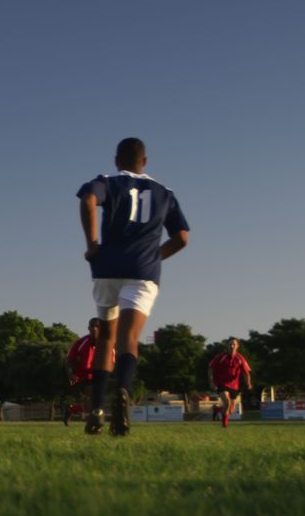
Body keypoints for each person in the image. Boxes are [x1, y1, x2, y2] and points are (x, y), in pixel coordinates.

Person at [76, 138, 189, 436]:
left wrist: (92, 245)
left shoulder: (106, 182)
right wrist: (155, 257)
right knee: (130, 337)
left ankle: (97, 409)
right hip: (143, 272)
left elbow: (88, 200)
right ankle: (123, 391)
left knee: (106, 339)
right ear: (145, 161)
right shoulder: (165, 193)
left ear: (117, 159)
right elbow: (182, 238)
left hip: (107, 269)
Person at [62, 318, 114, 425]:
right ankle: (94, 421)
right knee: (92, 397)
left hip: (100, 375)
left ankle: (72, 409)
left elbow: (112, 362)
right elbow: (69, 360)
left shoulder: (107, 344)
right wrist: (70, 373)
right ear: (88, 328)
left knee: (93, 403)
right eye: (92, 326)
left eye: (97, 326)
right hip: (84, 376)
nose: (94, 328)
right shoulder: (81, 343)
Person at [208, 338, 252, 428]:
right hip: (221, 383)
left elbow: (246, 372)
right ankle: (224, 424)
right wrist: (212, 382)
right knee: (227, 402)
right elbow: (210, 369)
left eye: (233, 344)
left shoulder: (240, 358)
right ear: (227, 346)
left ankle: (218, 409)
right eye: (230, 344)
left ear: (237, 346)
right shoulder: (221, 357)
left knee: (231, 410)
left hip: (234, 386)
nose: (231, 346)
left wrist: (248, 383)